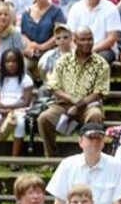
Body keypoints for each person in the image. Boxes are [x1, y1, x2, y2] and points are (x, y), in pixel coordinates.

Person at [36, 27, 109, 157]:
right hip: (63, 104)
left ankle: (90, 155)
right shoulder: (63, 61)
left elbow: (101, 91)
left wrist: (79, 104)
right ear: (74, 40)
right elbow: (53, 86)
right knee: (44, 118)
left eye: (90, 39)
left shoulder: (101, 63)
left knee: (95, 115)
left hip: (89, 105)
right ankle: (51, 156)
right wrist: (72, 100)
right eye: (82, 39)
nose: (87, 42)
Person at [45, 123, 121, 204]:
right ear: (80, 141)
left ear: (103, 142)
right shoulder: (67, 165)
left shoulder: (116, 166)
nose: (95, 141)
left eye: (99, 138)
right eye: (91, 137)